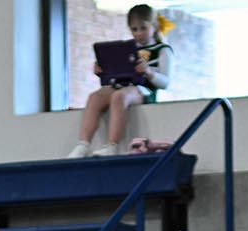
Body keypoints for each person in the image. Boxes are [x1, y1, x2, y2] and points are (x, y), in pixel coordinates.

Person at [68, 4, 171, 158]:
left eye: (143, 28)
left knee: (119, 97)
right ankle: (83, 144)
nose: (139, 33)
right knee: (95, 97)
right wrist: (102, 71)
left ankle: (112, 145)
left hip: (144, 89)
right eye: (134, 29)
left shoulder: (162, 49)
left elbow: (165, 83)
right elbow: (118, 72)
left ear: (154, 26)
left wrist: (148, 72)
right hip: (122, 84)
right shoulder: (128, 47)